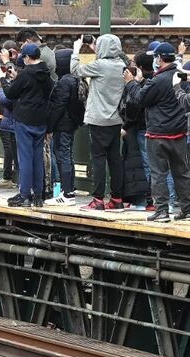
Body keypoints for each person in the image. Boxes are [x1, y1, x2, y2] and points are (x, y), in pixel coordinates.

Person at [124, 43, 190, 222]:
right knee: (181, 173)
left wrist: (131, 83)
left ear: (159, 58)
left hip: (158, 134)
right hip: (179, 132)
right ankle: (187, 209)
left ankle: (161, 211)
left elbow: (139, 99)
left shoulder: (158, 80)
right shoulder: (181, 76)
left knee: (158, 173)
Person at [72, 33, 127, 211]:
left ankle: (97, 200)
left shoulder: (100, 66)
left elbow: (75, 71)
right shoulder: (121, 65)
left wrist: (76, 50)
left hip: (98, 120)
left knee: (98, 159)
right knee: (115, 159)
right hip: (116, 119)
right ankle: (117, 198)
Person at [3, 43, 54, 208]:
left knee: (25, 158)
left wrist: (4, 79)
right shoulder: (46, 74)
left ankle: (25, 195)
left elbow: (10, 94)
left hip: (24, 119)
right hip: (41, 120)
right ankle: (38, 195)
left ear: (26, 57)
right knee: (37, 158)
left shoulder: (25, 74)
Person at [45, 49, 81, 205]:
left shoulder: (64, 82)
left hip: (62, 125)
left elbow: (58, 106)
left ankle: (67, 193)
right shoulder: (74, 79)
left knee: (62, 156)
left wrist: (49, 127)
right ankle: (69, 190)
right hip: (70, 123)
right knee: (68, 156)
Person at [119, 53, 154, 211]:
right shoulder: (153, 80)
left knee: (146, 164)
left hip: (141, 127)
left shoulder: (145, 84)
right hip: (145, 127)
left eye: (134, 64)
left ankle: (149, 199)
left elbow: (134, 106)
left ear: (140, 68)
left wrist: (132, 84)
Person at [0, 77, 17, 186]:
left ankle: (8, 177)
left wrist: (0, 88)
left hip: (5, 118)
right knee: (13, 148)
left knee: (9, 148)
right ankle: (14, 177)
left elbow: (6, 100)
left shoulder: (6, 83)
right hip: (8, 119)